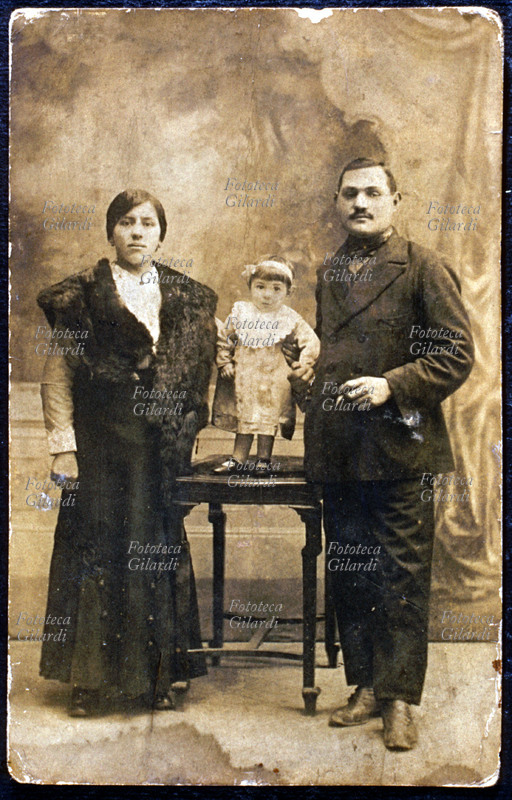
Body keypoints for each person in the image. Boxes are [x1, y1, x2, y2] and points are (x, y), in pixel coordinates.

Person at [303, 158, 474, 749]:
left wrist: (391, 385)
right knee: (350, 567)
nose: (360, 203)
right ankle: (366, 686)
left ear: (396, 200)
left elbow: (455, 354)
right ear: (337, 200)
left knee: (400, 573)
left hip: (401, 448)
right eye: (349, 193)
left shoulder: (423, 266)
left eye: (373, 192)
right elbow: (337, 351)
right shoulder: (328, 271)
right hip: (340, 447)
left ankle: (400, 699)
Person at [37, 189, 218, 716]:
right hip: (98, 448)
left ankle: (158, 677)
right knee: (93, 552)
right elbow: (58, 377)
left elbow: (199, 376)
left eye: (147, 223)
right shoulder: (81, 298)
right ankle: (88, 682)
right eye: (126, 223)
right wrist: (62, 451)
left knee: (154, 551)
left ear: (161, 234)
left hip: (156, 450)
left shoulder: (186, 299)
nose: (137, 232)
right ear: (111, 233)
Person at [212, 257, 319, 471]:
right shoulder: (241, 313)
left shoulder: (290, 318)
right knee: (245, 416)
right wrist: (225, 363)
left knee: (267, 420)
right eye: (260, 287)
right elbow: (225, 338)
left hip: (273, 381)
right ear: (250, 286)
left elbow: (312, 342)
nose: (267, 295)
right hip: (245, 378)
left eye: (276, 289)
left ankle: (263, 459)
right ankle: (238, 459)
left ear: (289, 292)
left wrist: (304, 364)